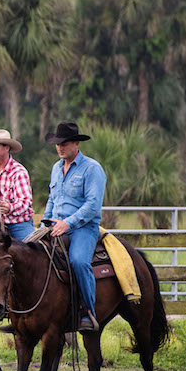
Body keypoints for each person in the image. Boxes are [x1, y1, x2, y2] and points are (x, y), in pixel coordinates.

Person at [41, 121, 107, 334]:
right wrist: (45, 221)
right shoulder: (56, 168)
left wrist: (67, 223)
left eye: (65, 143)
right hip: (55, 225)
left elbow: (92, 205)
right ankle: (28, 313)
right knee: (26, 253)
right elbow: (53, 198)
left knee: (78, 261)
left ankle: (87, 311)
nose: (60, 147)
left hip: (83, 228)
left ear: (76, 143)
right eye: (57, 144)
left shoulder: (92, 168)